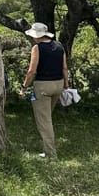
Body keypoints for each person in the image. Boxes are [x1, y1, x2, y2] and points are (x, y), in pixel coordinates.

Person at [20, 23, 70, 159]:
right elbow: (64, 68)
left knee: (44, 120)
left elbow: (32, 71)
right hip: (58, 84)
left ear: (37, 36)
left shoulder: (37, 48)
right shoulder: (59, 46)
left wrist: (24, 87)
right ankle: (47, 149)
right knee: (47, 117)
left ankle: (50, 154)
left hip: (42, 86)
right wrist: (66, 84)